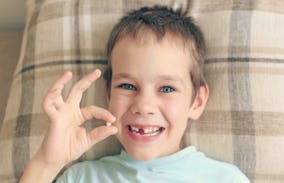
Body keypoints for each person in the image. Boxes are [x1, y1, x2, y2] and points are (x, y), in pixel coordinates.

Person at [20, 5, 250, 183]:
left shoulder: (226, 179)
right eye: (128, 86)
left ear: (197, 101)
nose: (144, 105)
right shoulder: (82, 177)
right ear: (108, 95)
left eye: (167, 88)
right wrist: (46, 163)